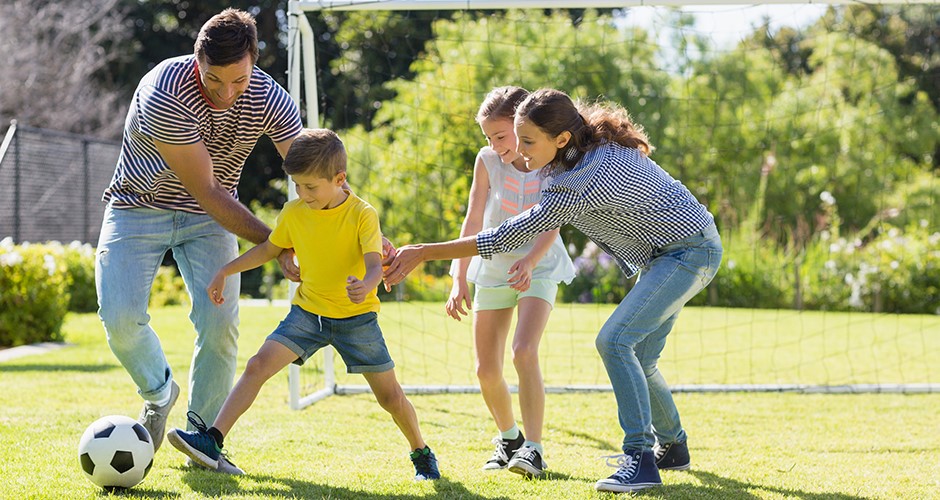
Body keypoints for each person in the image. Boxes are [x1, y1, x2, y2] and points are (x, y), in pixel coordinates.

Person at [384, 88, 722, 493]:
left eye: (528, 141)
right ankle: (674, 446)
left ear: (561, 138)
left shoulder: (582, 177)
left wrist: (424, 252)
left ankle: (640, 459)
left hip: (688, 253)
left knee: (614, 341)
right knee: (643, 357)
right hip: (671, 253)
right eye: (517, 138)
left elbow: (507, 235)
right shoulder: (578, 151)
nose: (520, 150)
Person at [95, 8, 304, 475]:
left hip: (209, 222)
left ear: (254, 63)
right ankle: (158, 392)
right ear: (197, 60)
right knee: (120, 319)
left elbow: (313, 166)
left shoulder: (269, 96)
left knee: (219, 324)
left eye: (239, 80)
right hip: (138, 206)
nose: (226, 94)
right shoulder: (166, 91)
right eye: (214, 80)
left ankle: (204, 438)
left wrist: (359, 225)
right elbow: (206, 191)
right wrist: (276, 244)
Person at [166, 128, 441, 481]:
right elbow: (270, 249)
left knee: (390, 398)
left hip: (356, 319)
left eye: (310, 187)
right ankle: (211, 441)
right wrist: (226, 270)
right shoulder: (294, 212)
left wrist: (367, 285)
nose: (302, 194)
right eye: (297, 185)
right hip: (308, 314)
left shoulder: (362, 214)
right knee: (257, 365)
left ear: (339, 179)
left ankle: (422, 453)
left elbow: (375, 265)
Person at [446, 86, 575, 478]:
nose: (495, 145)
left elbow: (553, 220)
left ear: (520, 125)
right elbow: (473, 218)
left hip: (539, 265)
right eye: (488, 137)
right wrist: (459, 275)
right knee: (486, 370)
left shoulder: (551, 161)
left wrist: (531, 260)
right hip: (494, 268)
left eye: (500, 135)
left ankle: (534, 449)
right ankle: (509, 439)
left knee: (523, 350)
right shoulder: (487, 160)